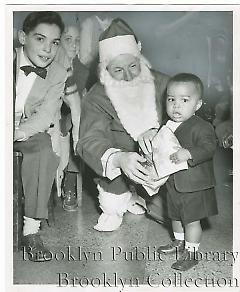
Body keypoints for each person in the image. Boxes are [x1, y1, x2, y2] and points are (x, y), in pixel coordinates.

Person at [77, 18, 169, 232]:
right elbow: (88, 141)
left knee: (175, 215)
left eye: (133, 66)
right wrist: (118, 159)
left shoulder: (165, 83)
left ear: (139, 55)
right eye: (118, 70)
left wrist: (160, 133)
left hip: (163, 164)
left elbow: (190, 121)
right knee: (111, 206)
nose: (128, 77)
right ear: (105, 68)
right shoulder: (96, 96)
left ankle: (142, 197)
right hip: (119, 165)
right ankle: (123, 197)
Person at [13, 11, 67, 262]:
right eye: (40, 39)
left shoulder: (57, 73)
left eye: (54, 42)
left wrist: (18, 132)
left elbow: (46, 115)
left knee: (44, 149)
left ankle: (31, 231)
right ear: (22, 37)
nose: (48, 49)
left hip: (26, 128)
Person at [157, 73, 218, 271]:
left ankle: (192, 254)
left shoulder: (202, 127)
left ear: (197, 105)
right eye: (171, 99)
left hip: (194, 185)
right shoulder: (166, 125)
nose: (176, 106)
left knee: (191, 220)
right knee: (175, 216)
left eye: (184, 100)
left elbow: (209, 148)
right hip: (174, 183)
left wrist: (189, 153)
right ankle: (179, 242)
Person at [55, 23, 90, 211]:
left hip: (69, 120)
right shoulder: (48, 63)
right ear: (58, 41)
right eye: (68, 39)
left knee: (79, 123)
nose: (74, 45)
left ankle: (70, 179)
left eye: (77, 41)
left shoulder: (82, 70)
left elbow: (79, 102)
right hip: (50, 118)